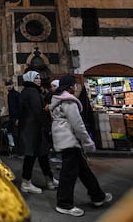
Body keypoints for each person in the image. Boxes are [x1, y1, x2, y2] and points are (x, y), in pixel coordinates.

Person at [49, 74, 112, 217]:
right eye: (75, 84)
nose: (76, 87)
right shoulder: (68, 101)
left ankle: (98, 196)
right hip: (69, 140)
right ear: (71, 86)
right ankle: (64, 204)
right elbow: (78, 124)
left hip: (63, 138)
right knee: (68, 173)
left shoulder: (57, 99)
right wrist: (88, 142)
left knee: (84, 171)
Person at [18, 70, 58, 194]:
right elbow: (38, 111)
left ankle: (49, 180)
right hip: (33, 128)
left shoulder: (28, 91)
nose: (39, 80)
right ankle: (26, 182)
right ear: (30, 79)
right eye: (36, 78)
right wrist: (46, 125)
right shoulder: (32, 92)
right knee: (31, 155)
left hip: (32, 128)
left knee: (42, 154)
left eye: (39, 77)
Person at [5, 79, 20, 154]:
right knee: (11, 132)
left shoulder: (16, 94)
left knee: (16, 134)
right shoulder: (9, 94)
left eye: (10, 84)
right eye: (7, 85)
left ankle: (18, 151)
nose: (9, 86)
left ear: (13, 85)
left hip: (16, 117)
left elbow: (19, 107)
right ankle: (15, 150)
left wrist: (18, 118)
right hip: (12, 117)